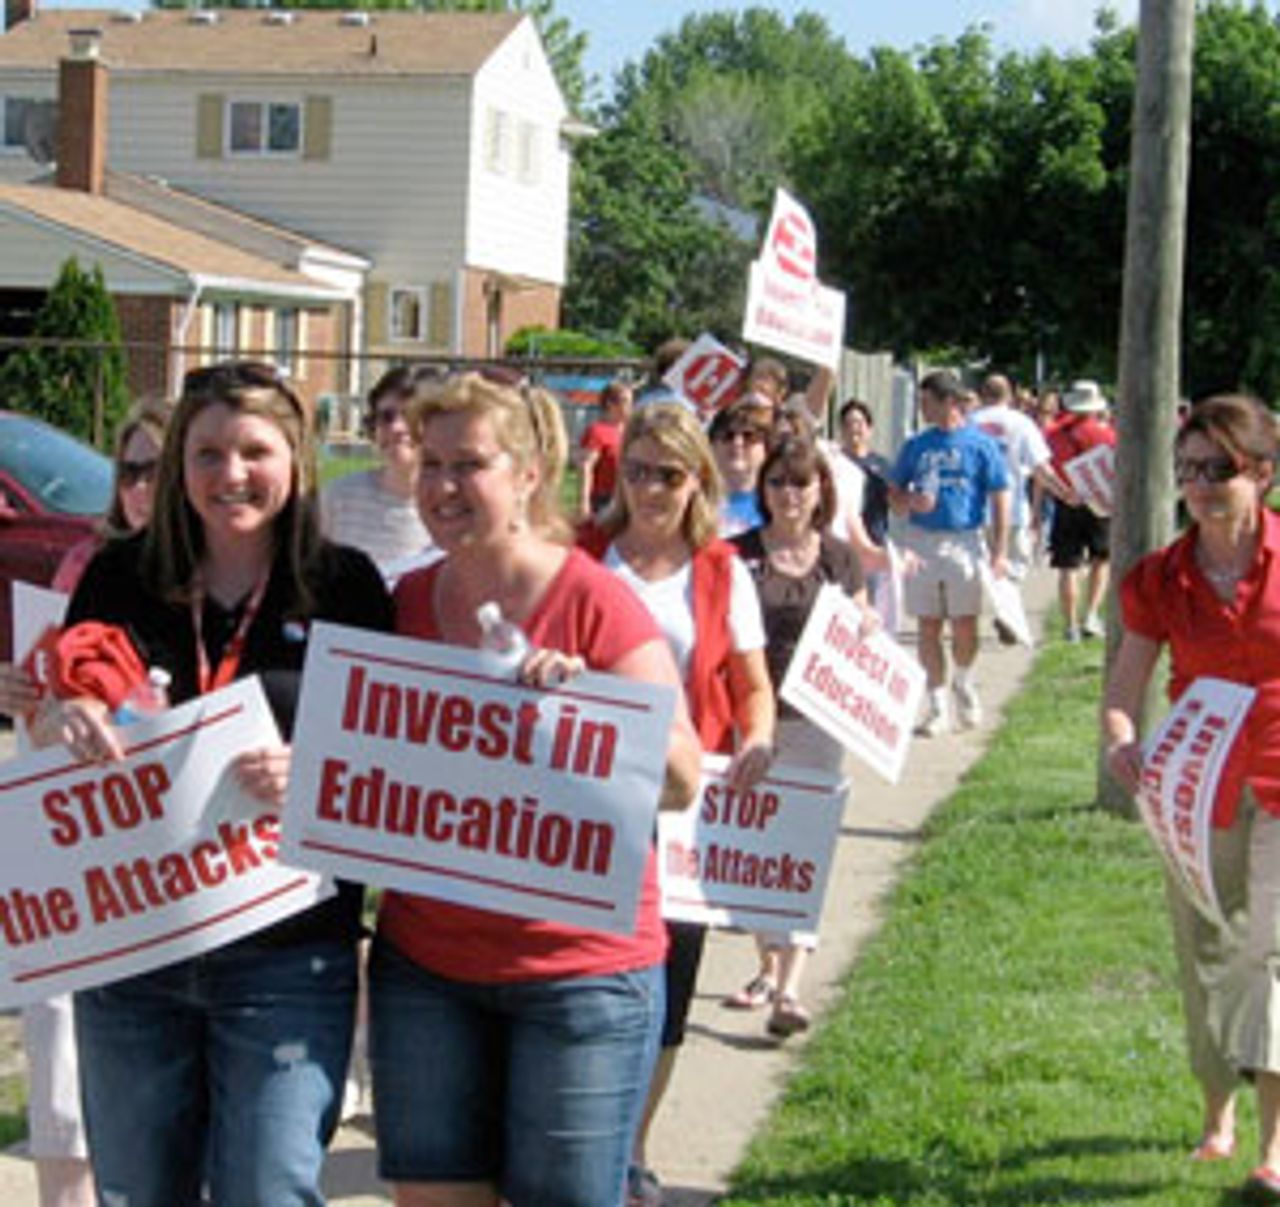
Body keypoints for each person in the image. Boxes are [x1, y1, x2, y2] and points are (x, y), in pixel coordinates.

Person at [35, 359, 393, 1206]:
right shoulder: (120, 575)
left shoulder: (346, 586)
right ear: (177, 467)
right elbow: (61, 717)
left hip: (288, 950)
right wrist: (65, 716)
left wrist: (320, 771)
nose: (232, 473)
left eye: (255, 451)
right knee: (139, 1191)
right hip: (136, 950)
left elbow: (392, 762)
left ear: (296, 458)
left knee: (268, 1188)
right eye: (207, 454)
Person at [370, 373, 703, 1207]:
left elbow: (681, 777)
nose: (444, 486)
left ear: (526, 474)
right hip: (428, 967)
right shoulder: (405, 602)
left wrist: (594, 708)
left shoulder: (595, 600)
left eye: (469, 464)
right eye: (431, 463)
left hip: (578, 970)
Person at [581, 401, 775, 1206]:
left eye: (669, 473)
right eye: (637, 470)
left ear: (698, 479)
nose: (651, 488)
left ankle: (631, 1144)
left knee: (667, 977)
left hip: (678, 805)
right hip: (584, 794)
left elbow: (752, 684)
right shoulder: (582, 553)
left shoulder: (721, 571)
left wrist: (758, 738)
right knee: (583, 973)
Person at [1103, 394, 1280, 1202]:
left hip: (1278, 780)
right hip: (1195, 790)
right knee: (1205, 953)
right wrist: (1122, 741)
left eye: (1219, 469)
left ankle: (1273, 1147)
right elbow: (1124, 690)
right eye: (1188, 470)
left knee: (1267, 955)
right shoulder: (1159, 578)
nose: (1201, 486)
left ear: (1262, 474)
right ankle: (1218, 1109)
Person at [0, 397, 171, 1207]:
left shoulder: (230, 583)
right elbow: (47, 699)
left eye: (158, 468)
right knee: (61, 1059)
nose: (139, 487)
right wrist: (19, 693)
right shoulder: (81, 566)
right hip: (75, 841)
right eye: (129, 469)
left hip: (175, 857)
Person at [727, 434, 865, 1038]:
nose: (789, 493)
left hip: (816, 721)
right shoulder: (736, 556)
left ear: (820, 490)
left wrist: (866, 623)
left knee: (805, 848)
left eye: (800, 482)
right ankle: (767, 962)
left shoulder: (838, 558)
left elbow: (860, 621)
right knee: (755, 847)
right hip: (750, 717)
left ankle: (789, 987)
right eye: (778, 481)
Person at [888, 369, 1010, 737]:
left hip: (964, 540)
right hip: (923, 539)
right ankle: (937, 703)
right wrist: (910, 501)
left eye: (927, 401)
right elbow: (894, 493)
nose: (922, 408)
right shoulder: (917, 445)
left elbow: (999, 496)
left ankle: (964, 680)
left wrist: (1000, 550)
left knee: (964, 622)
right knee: (928, 624)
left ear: (949, 402)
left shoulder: (980, 444)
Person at [319, 364, 435, 585]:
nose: (397, 427)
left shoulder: (450, 508)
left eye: (411, 415)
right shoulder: (337, 497)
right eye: (386, 417)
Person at [1041, 379, 1116, 641]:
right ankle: (1091, 615)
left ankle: (1070, 625)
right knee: (1101, 560)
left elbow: (1044, 470)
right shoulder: (1107, 434)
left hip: (1066, 500)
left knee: (1068, 566)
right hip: (1099, 502)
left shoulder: (1053, 435)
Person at [709, 399, 772, 537]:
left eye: (749, 436)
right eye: (728, 436)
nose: (737, 443)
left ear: (766, 449)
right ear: (712, 446)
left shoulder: (775, 504)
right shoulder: (693, 500)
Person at [575, 378, 633, 517]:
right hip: (604, 499)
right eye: (626, 401)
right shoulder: (597, 431)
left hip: (626, 496)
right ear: (610, 404)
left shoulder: (630, 432)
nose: (630, 406)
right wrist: (584, 502)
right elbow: (586, 467)